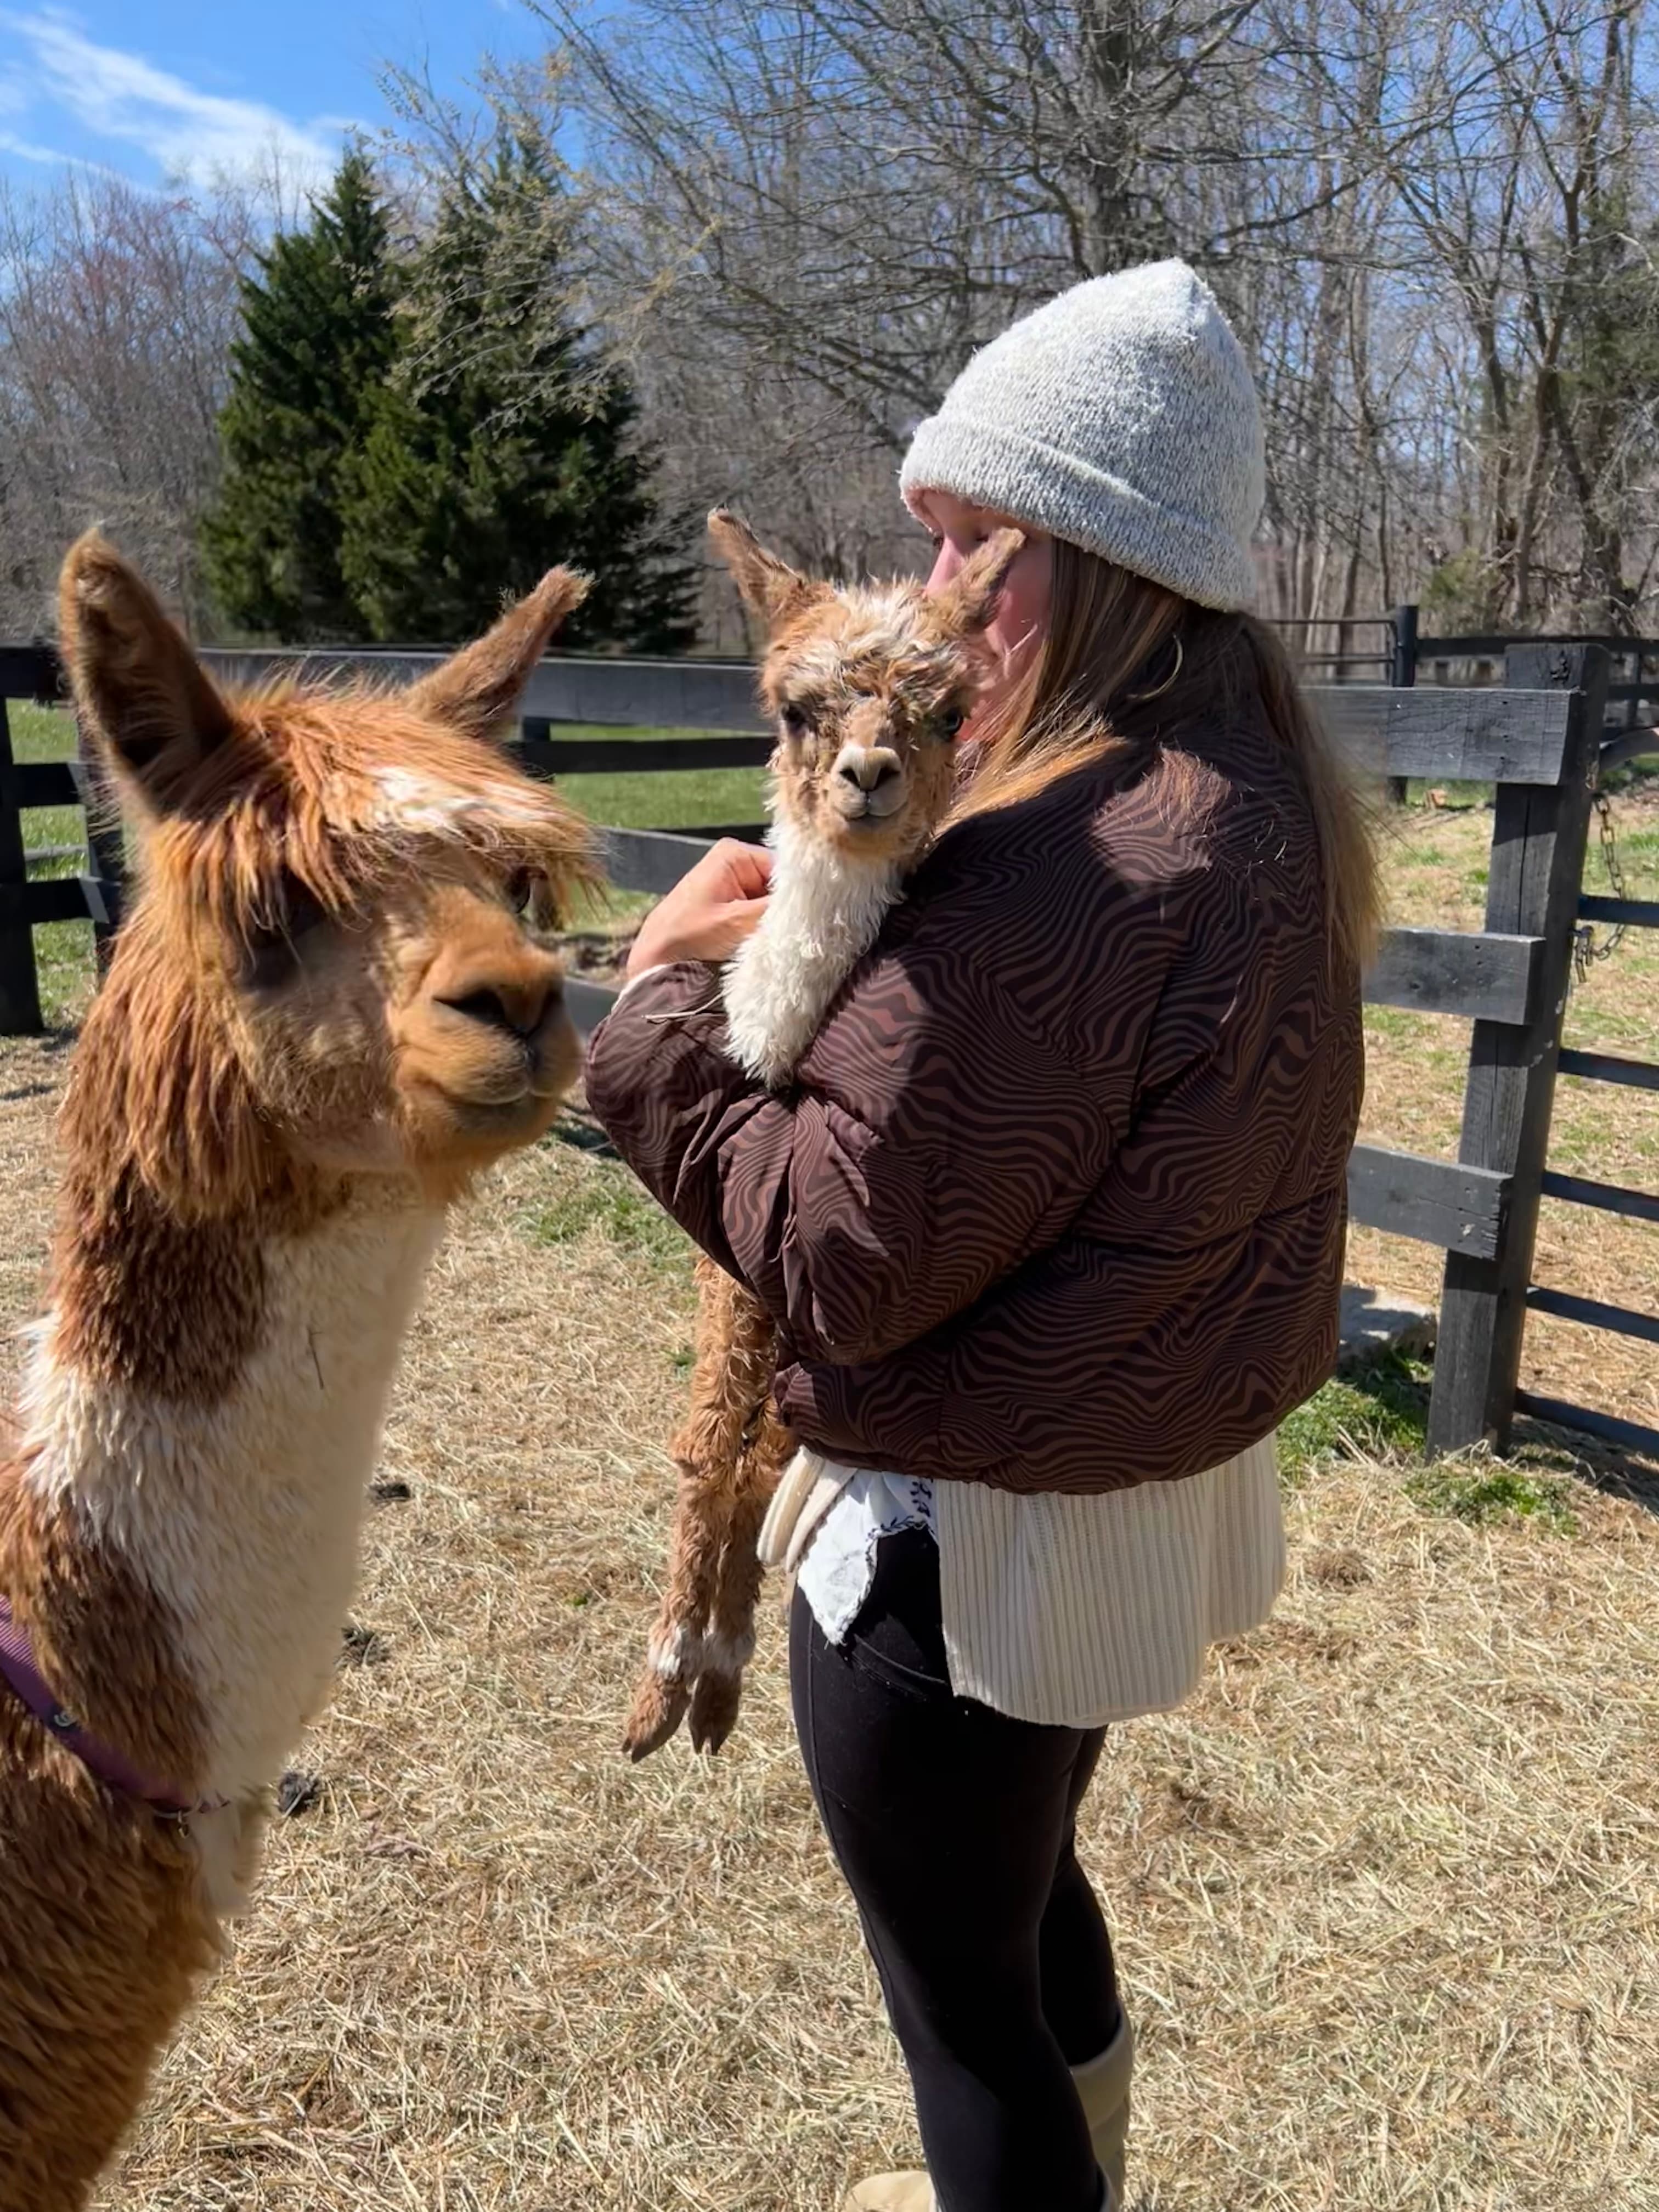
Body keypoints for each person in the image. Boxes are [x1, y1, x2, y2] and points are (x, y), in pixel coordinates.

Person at [585, 259, 1378, 2212]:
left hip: (970, 1550)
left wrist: (660, 1012)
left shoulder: (1052, 872)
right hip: (1131, 1506)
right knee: (1026, 1912)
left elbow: (842, 1258)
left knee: (961, 2013)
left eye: (972, 545)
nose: (928, 590)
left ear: (1095, 561)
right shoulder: (1261, 800)